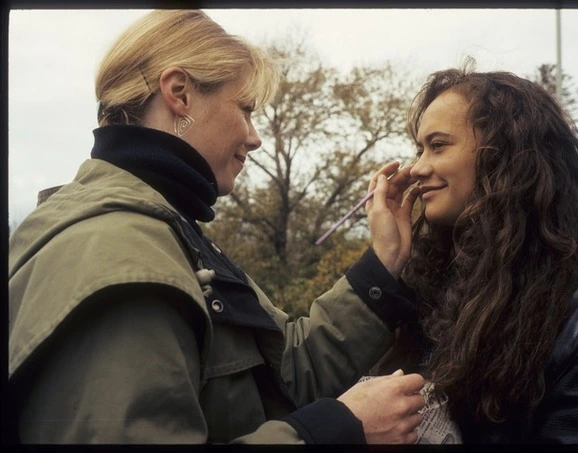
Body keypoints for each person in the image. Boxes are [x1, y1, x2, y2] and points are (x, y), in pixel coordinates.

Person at [7, 9, 426, 444]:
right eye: (245, 109)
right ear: (179, 94)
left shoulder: (167, 234)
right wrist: (337, 430)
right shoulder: (119, 255)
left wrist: (384, 260)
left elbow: (288, 370)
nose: (254, 136)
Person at [373, 60, 578, 443]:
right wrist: (382, 262)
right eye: (419, 149)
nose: (417, 168)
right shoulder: (435, 281)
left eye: (437, 146)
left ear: (503, 153)